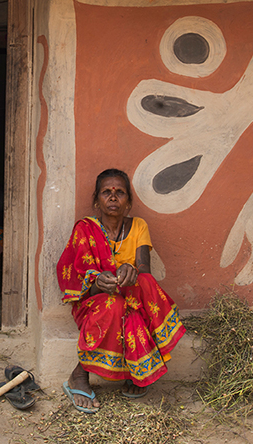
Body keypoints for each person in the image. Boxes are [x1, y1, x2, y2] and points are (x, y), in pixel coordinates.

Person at [57, 168, 185, 413]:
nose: (113, 197)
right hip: (95, 302)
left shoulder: (138, 226)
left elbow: (144, 267)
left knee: (144, 286)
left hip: (132, 296)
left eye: (120, 193)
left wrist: (131, 271)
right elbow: (74, 278)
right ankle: (79, 375)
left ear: (129, 202)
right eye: (106, 192)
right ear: (96, 200)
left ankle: (134, 372)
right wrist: (96, 282)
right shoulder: (85, 230)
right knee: (113, 305)